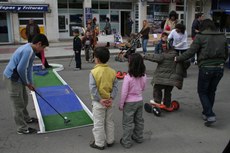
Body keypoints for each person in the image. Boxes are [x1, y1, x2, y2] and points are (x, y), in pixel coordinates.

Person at [175, 19, 228, 126]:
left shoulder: (200, 36)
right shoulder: (222, 36)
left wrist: (178, 58)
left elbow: (190, 52)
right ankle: (206, 112)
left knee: (202, 91)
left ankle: (210, 114)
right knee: (211, 91)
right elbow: (226, 53)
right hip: (220, 67)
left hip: (206, 67)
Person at [3, 34, 49, 134]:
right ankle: (22, 128)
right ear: (39, 44)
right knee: (18, 104)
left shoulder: (31, 50)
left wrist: (30, 82)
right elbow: (21, 69)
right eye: (43, 48)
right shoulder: (27, 51)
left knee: (24, 99)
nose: (42, 50)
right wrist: (27, 83)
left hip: (18, 78)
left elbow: (29, 69)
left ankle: (26, 118)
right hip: (12, 79)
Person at [89, 47, 118, 150]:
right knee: (109, 121)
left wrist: (100, 99)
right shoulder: (112, 72)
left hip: (98, 103)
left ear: (97, 59)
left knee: (98, 123)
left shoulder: (93, 72)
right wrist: (111, 97)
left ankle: (99, 143)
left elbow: (93, 88)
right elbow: (115, 86)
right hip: (110, 101)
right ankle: (110, 140)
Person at [145, 44, 186, 110]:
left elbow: (153, 57)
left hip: (161, 79)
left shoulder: (163, 55)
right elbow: (187, 63)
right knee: (168, 91)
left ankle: (157, 101)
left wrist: (144, 56)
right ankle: (167, 104)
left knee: (157, 88)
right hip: (172, 81)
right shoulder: (178, 56)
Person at [119, 53, 147, 149]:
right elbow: (143, 88)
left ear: (131, 64)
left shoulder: (128, 77)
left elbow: (124, 93)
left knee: (127, 122)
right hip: (139, 101)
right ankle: (138, 137)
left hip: (129, 103)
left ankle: (126, 141)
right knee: (139, 120)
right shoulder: (143, 76)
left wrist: (121, 104)